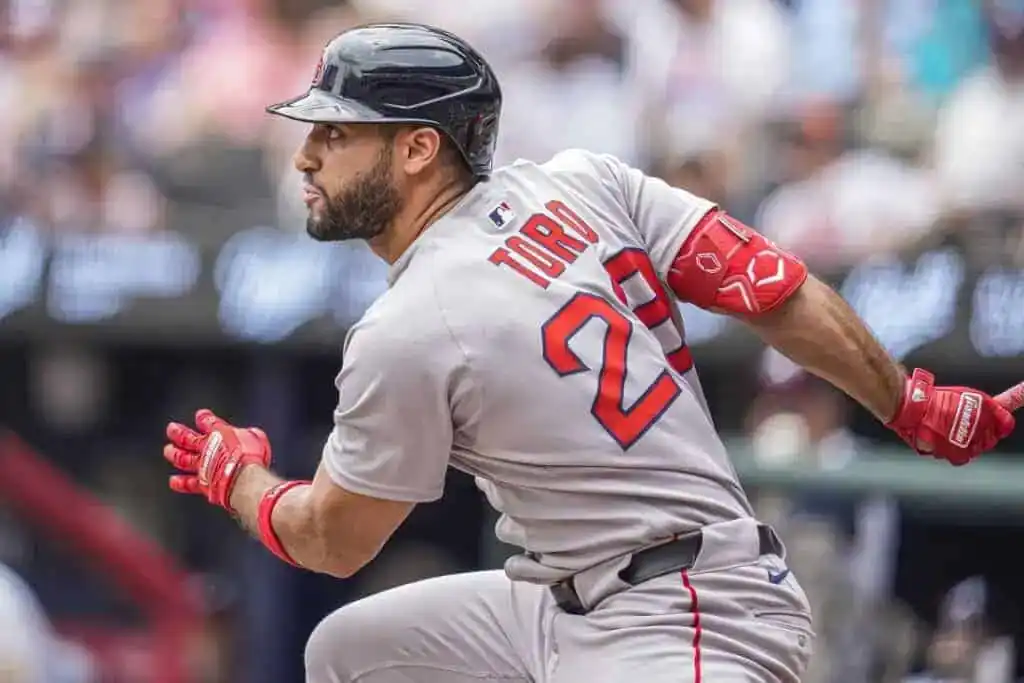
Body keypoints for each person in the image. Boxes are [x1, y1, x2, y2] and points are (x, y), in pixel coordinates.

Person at [160, 22, 1018, 683]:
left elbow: (333, 540)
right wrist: (910, 403)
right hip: (563, 598)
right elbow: (774, 288)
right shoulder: (580, 182)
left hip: (688, 616)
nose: (307, 154)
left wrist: (241, 480)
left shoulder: (407, 325)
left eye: (337, 134)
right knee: (349, 650)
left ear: (418, 148)